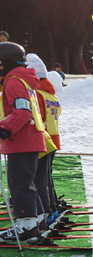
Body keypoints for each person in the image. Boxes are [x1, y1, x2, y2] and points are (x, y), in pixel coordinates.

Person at [0, 42, 47, 242]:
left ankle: (27, 225)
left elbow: (22, 111)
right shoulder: (24, 79)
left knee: (19, 183)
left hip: (21, 140)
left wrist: (5, 128)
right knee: (27, 182)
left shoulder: (14, 81)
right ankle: (38, 220)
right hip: (29, 139)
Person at [25, 54, 61, 231]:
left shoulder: (36, 94)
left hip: (41, 140)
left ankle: (45, 211)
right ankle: (51, 208)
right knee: (46, 178)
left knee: (39, 179)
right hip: (53, 139)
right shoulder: (50, 94)